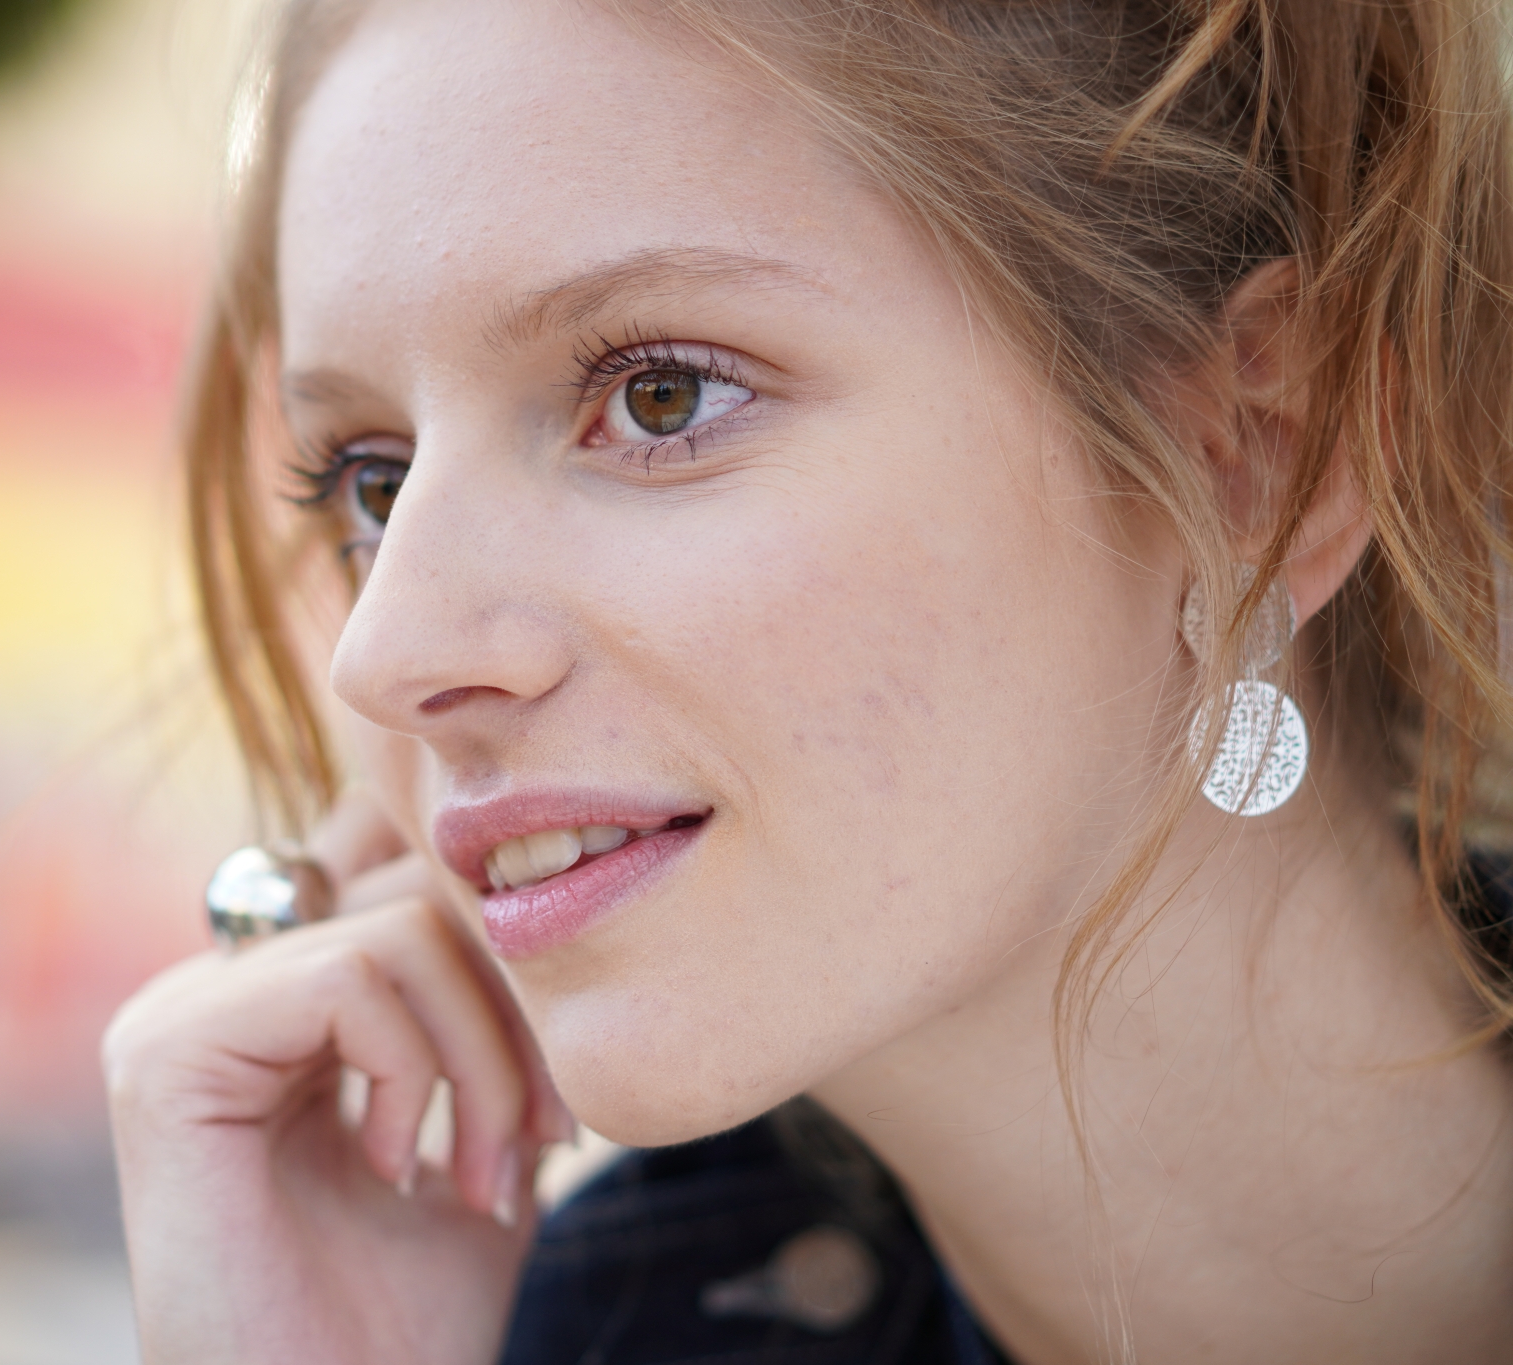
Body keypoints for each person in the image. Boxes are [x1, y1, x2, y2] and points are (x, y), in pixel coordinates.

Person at [101, 0, 1513, 1359]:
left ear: (1253, 454)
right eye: (373, 479)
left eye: (661, 395)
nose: (387, 653)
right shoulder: (595, 1322)